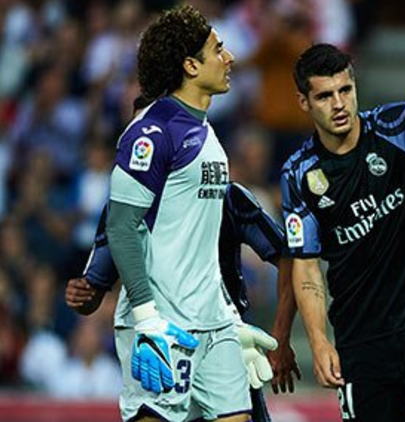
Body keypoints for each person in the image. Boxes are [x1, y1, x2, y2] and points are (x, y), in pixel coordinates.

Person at [281, 43, 405, 422]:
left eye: (346, 90)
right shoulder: (299, 174)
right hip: (361, 336)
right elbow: (306, 266)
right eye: (325, 96)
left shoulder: (398, 128)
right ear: (304, 102)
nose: (339, 103)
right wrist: (318, 339)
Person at [103, 5, 251, 421]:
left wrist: (226, 314)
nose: (230, 58)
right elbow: (121, 225)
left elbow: (195, 237)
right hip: (162, 323)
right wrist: (147, 318)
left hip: (213, 323)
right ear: (190, 65)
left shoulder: (206, 130)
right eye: (217, 49)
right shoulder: (151, 132)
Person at [66, 180, 301, 422]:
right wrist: (82, 295)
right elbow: (92, 292)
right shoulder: (126, 206)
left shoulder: (227, 197)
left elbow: (288, 258)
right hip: (162, 346)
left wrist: (281, 338)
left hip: (223, 341)